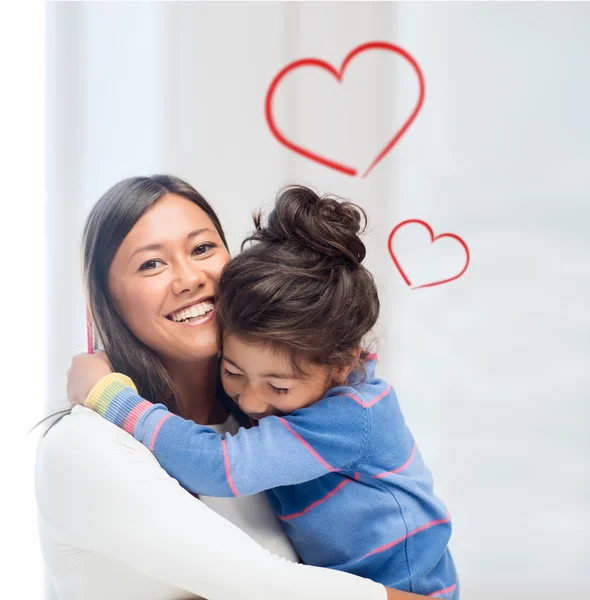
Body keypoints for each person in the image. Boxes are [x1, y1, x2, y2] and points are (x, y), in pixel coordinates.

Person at [36, 174, 435, 600]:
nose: (188, 278)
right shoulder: (84, 445)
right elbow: (265, 588)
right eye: (151, 263)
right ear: (107, 299)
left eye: (202, 248)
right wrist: (108, 398)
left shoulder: (265, 422)